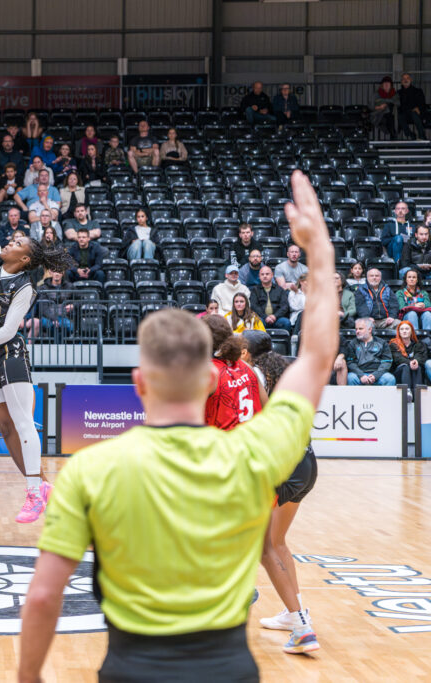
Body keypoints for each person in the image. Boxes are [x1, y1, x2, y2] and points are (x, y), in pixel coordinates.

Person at [18, 169, 337, 681]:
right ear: (210, 375)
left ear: (140, 381)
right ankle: (296, 618)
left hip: (131, 668)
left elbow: (42, 596)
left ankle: (296, 617)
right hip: (228, 668)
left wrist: (28, 677)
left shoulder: (89, 471)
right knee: (269, 545)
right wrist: (320, 255)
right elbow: (318, 356)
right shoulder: (252, 457)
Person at [0, 143, 74, 523]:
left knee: (24, 422)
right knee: (3, 423)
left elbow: (11, 329)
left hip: (9, 353)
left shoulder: (26, 288)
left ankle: (34, 490)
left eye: (17, 243)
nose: (9, 240)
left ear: (26, 258)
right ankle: (40, 483)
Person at [244, 336, 320, 648]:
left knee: (264, 547)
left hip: (283, 465)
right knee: (276, 542)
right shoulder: (284, 369)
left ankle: (299, 623)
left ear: (247, 351)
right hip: (306, 461)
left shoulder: (254, 376)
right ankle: (296, 613)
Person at [202, 314, 265, 432]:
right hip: (254, 442)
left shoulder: (208, 373)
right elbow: (266, 407)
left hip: (226, 446)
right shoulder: (247, 367)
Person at [333, 317, 395, 386]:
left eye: (360, 329)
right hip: (359, 374)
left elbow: (387, 361)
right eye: (356, 329)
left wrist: (375, 375)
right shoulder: (353, 344)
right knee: (350, 378)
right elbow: (350, 362)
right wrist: (361, 375)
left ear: (370, 329)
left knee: (389, 378)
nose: (357, 331)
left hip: (378, 374)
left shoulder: (382, 343)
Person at [389, 320, 430, 396]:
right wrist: (410, 362)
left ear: (411, 331)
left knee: (418, 368)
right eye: (402, 329)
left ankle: (417, 394)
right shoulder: (394, 344)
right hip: (399, 372)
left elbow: (421, 356)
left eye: (407, 329)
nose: (404, 331)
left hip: (415, 371)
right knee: (406, 367)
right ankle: (407, 392)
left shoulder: (418, 344)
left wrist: (416, 361)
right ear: (399, 332)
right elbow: (398, 358)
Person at [250, 265, 292, 331]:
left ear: (272, 275)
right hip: (262, 318)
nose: (265, 276)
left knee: (286, 323)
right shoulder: (255, 290)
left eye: (267, 274)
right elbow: (254, 306)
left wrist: (275, 316)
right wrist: (265, 317)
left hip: (277, 318)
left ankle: (282, 341)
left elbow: (284, 306)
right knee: (258, 322)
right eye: (262, 274)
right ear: (259, 276)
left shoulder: (280, 290)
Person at [398, 72, 427, 140]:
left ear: (411, 80)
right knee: (400, 116)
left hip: (417, 113)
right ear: (401, 82)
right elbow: (399, 105)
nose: (406, 80)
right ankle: (411, 135)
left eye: (407, 78)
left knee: (414, 113)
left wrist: (418, 108)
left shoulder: (418, 91)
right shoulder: (399, 93)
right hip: (405, 114)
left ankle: (421, 136)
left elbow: (422, 103)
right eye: (404, 79)